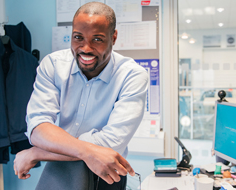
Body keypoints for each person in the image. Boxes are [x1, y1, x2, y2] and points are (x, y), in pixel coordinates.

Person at [14, 2, 148, 190]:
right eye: (78, 37)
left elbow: (110, 145)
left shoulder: (132, 75)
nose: (86, 48)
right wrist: (87, 151)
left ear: (114, 37)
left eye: (97, 39)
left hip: (107, 175)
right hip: (61, 171)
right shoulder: (53, 65)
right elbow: (38, 128)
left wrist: (37, 153)